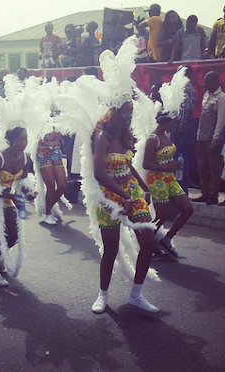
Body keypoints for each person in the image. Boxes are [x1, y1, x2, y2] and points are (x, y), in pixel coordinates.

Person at [91, 101, 159, 314]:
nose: (129, 115)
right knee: (110, 249)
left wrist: (144, 187)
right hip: (108, 196)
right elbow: (100, 174)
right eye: (124, 111)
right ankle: (102, 294)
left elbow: (127, 166)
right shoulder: (103, 137)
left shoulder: (126, 136)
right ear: (113, 112)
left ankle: (135, 296)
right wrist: (125, 196)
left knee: (148, 241)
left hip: (132, 191)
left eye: (131, 111)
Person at [0, 127, 35, 286]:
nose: (24, 143)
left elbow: (22, 182)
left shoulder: (25, 158)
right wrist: (10, 195)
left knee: (14, 235)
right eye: (20, 139)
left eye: (26, 139)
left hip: (7, 197)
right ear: (11, 139)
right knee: (3, 234)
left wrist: (28, 193)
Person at [144, 111, 194, 259]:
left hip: (170, 178)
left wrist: (172, 168)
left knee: (188, 209)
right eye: (173, 122)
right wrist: (168, 167)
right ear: (165, 122)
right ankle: (147, 245)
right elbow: (146, 163)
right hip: (157, 180)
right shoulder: (153, 139)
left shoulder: (166, 135)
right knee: (161, 216)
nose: (175, 125)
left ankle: (166, 240)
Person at [194, 71, 225, 205]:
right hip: (201, 138)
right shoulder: (206, 95)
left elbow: (220, 122)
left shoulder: (222, 98)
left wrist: (215, 141)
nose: (204, 84)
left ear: (216, 82)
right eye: (204, 81)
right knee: (202, 167)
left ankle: (213, 196)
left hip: (211, 139)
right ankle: (204, 193)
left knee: (213, 168)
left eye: (207, 82)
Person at [170, 65, 197, 193]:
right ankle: (178, 188)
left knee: (178, 160)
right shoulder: (181, 86)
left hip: (180, 129)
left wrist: (181, 128)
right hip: (177, 128)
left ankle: (181, 189)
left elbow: (186, 109)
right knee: (176, 159)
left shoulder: (186, 86)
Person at [36, 130, 67, 225]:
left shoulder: (59, 118)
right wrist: (50, 143)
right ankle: (48, 214)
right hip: (43, 152)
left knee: (62, 186)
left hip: (56, 152)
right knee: (51, 186)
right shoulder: (41, 118)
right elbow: (35, 138)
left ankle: (47, 208)